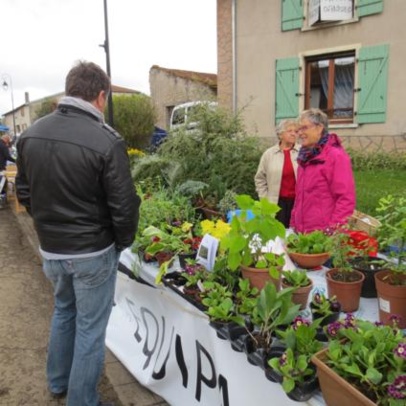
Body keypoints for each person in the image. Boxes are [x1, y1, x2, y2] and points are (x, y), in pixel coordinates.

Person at [15, 61, 141, 406]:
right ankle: (82, 400)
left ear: (70, 90)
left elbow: (23, 192)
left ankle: (57, 382)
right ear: (101, 96)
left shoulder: (31, 134)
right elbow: (124, 207)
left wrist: (48, 225)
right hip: (92, 252)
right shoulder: (106, 140)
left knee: (64, 311)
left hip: (53, 250)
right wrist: (122, 243)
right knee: (89, 328)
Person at [290, 108, 355, 233]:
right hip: (302, 233)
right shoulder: (304, 158)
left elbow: (345, 199)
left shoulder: (336, 156)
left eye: (304, 128)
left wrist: (333, 231)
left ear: (319, 128)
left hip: (323, 235)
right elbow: (300, 197)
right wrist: (294, 224)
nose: (300, 134)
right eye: (299, 130)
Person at [254, 119, 299, 227]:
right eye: (290, 131)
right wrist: (265, 200)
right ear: (280, 134)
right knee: (277, 236)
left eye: (296, 131)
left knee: (297, 236)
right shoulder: (269, 154)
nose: (293, 134)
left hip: (297, 203)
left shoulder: (302, 152)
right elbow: (260, 179)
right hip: (276, 203)